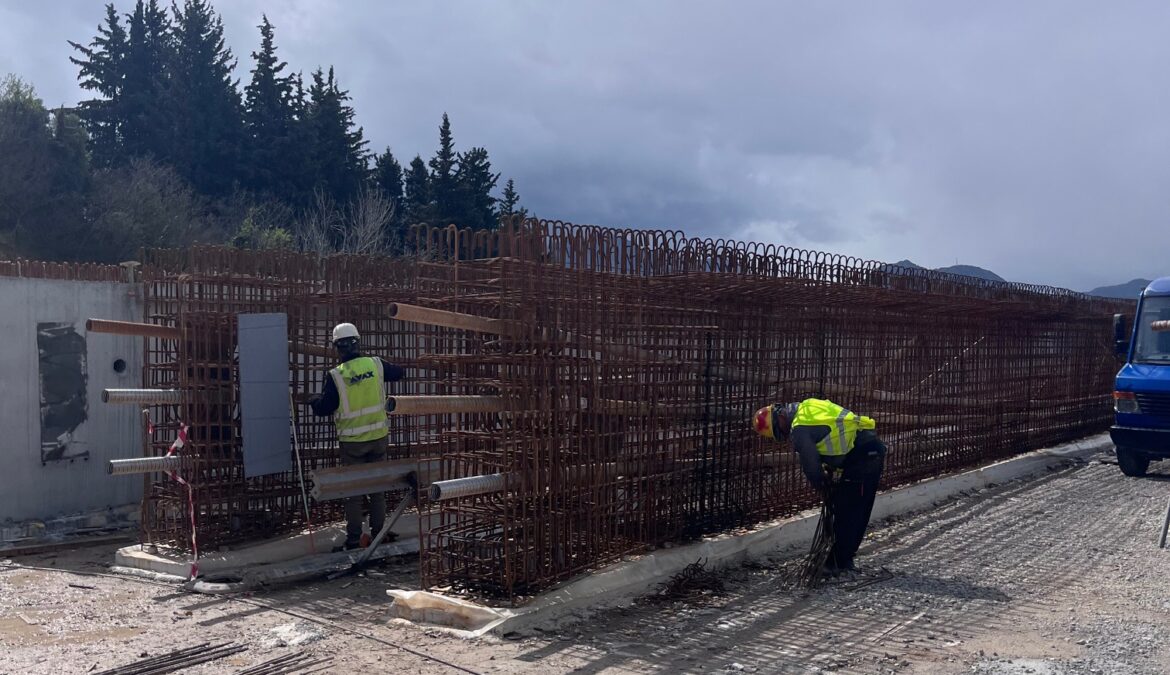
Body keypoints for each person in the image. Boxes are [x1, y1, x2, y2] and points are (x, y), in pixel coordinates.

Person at [752, 398, 886, 573]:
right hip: (870, 449)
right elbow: (832, 434)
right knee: (859, 509)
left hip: (861, 457)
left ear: (781, 418)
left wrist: (824, 487)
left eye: (780, 431)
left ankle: (836, 563)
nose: (784, 436)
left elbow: (811, 467)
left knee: (847, 511)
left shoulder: (799, 428)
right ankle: (844, 560)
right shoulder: (808, 406)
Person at [309, 322, 406, 551]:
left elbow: (325, 407)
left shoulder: (336, 375)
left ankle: (354, 539)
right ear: (357, 343)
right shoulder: (376, 364)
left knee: (353, 491)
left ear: (337, 348)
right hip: (378, 437)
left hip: (353, 443)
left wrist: (313, 401)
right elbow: (399, 372)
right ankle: (379, 533)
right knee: (377, 487)